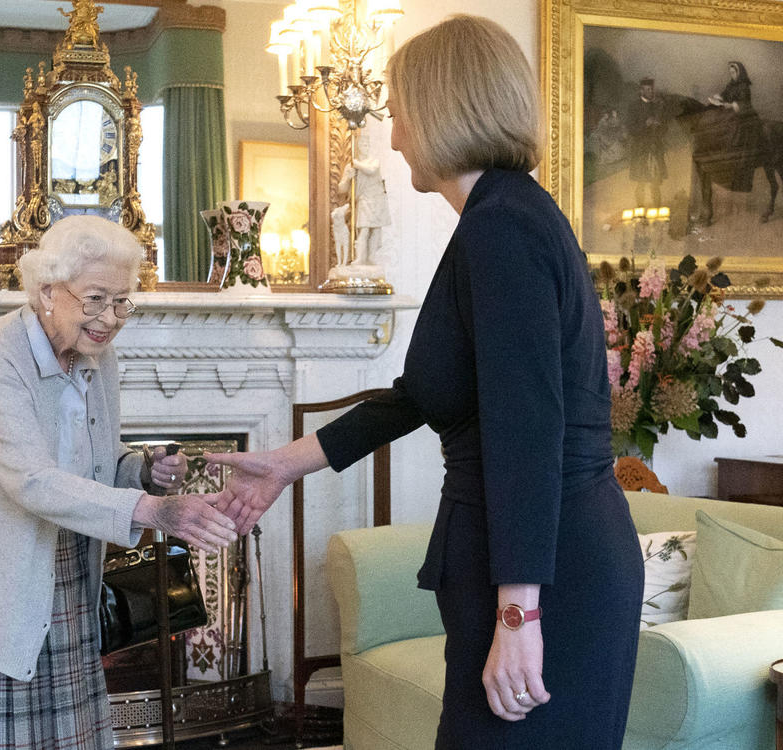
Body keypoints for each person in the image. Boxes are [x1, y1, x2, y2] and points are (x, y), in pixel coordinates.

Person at [207, 15, 644, 749]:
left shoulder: (502, 226)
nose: (397, 131)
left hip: (553, 571)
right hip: (536, 562)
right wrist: (284, 464)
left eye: (401, 108)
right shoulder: (497, 218)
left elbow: (526, 428)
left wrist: (519, 614)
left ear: (445, 107)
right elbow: (423, 392)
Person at [0, 214, 238, 749]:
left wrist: (141, 469)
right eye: (95, 298)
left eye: (121, 302)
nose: (109, 318)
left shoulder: (97, 357)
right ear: (48, 291)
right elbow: (33, 481)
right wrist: (152, 511)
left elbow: (95, 458)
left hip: (66, 570)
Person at [335, 128, 391, 265]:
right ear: (358, 147)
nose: (365, 148)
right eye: (362, 145)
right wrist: (348, 178)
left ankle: (371, 257)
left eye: (367, 145)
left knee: (376, 230)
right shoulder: (351, 166)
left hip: (377, 198)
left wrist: (357, 164)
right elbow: (341, 189)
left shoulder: (373, 162)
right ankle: (360, 258)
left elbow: (371, 170)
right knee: (364, 229)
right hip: (364, 200)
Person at [625, 77, 667, 206]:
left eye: (651, 89)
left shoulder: (657, 106)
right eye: (647, 89)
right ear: (641, 90)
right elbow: (631, 129)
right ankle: (640, 211)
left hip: (654, 149)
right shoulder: (633, 107)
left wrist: (660, 125)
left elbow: (665, 128)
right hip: (640, 150)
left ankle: (658, 210)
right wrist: (645, 124)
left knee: (655, 182)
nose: (650, 92)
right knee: (641, 182)